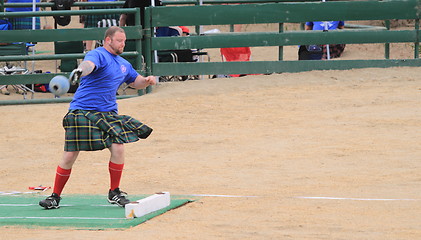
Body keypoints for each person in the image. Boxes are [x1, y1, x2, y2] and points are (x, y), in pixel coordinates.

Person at [39, 26, 156, 209]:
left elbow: (135, 82)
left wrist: (147, 80)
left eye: (124, 41)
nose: (123, 44)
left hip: (108, 114)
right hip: (82, 110)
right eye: (119, 41)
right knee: (70, 155)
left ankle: (114, 192)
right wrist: (79, 71)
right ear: (108, 40)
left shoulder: (124, 64)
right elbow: (88, 65)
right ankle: (55, 196)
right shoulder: (98, 54)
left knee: (118, 147)